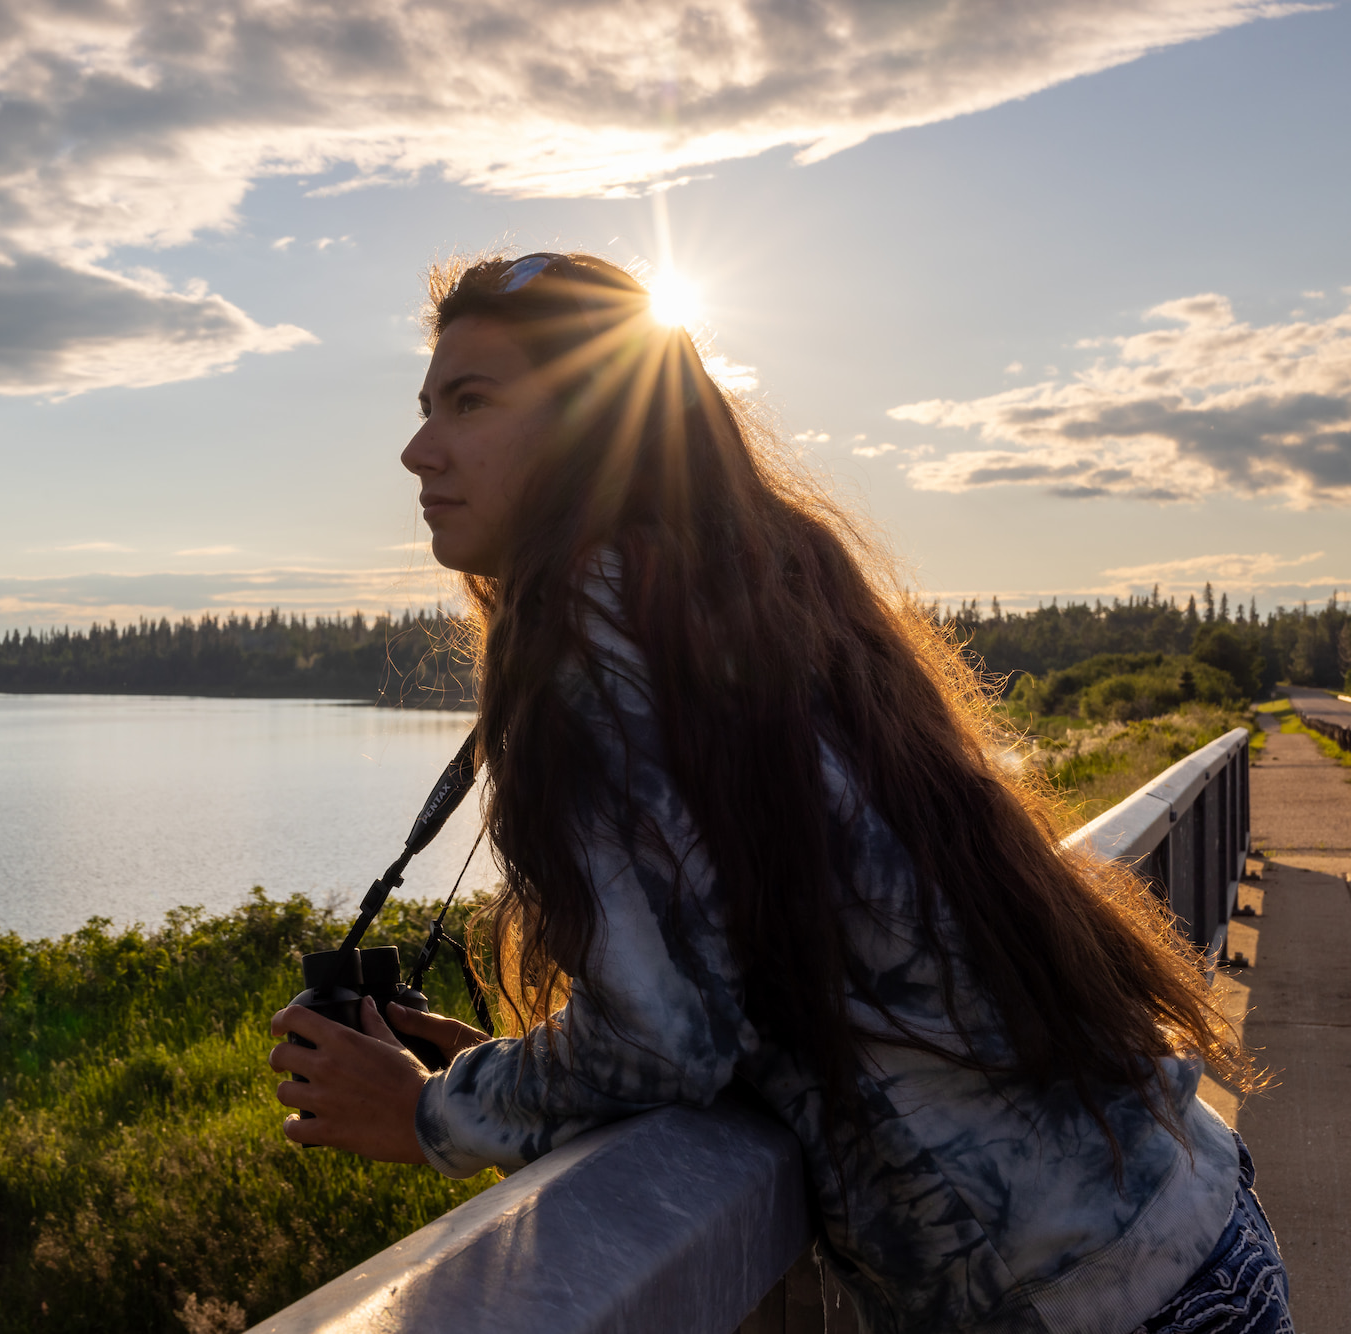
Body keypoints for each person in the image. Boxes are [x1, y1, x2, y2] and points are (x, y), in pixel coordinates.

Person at [268, 252, 1293, 1333]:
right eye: (426, 405)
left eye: (468, 402)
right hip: (1196, 1222)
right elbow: (746, 982)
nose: (416, 447)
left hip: (1086, 1301)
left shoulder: (592, 644)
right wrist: (496, 1072)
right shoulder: (753, 588)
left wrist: (429, 1113)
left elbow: (666, 1039)